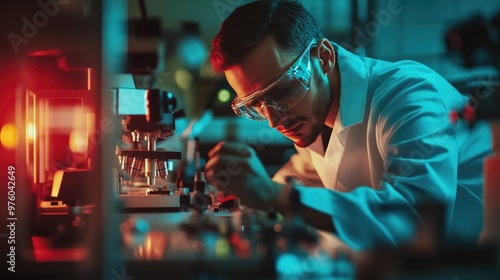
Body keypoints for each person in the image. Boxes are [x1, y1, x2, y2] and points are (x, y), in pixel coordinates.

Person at [204, 0, 493, 251]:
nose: (273, 119)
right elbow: (305, 175)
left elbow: (414, 223)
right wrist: (244, 198)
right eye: (255, 104)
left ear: (324, 58)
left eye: (281, 92)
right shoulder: (312, 116)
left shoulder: (409, 98)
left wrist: (276, 196)